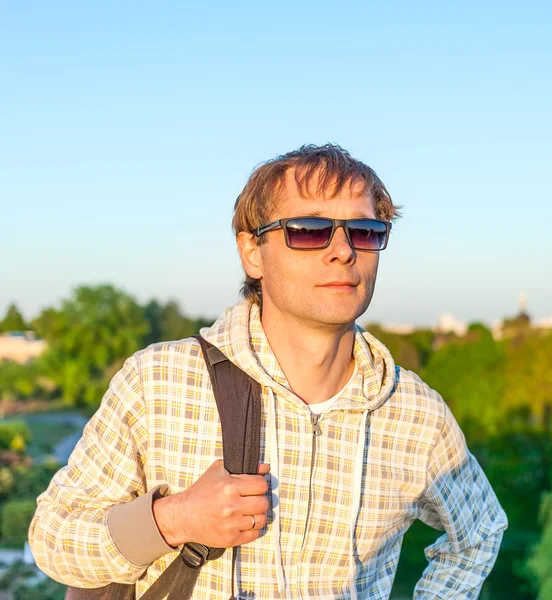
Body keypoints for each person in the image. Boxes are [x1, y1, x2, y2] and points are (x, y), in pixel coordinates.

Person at [29, 144, 508, 599]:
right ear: (252, 252)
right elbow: (52, 539)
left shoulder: (415, 414)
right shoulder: (159, 381)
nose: (342, 250)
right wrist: (173, 520)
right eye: (308, 229)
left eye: (363, 231)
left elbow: (479, 532)